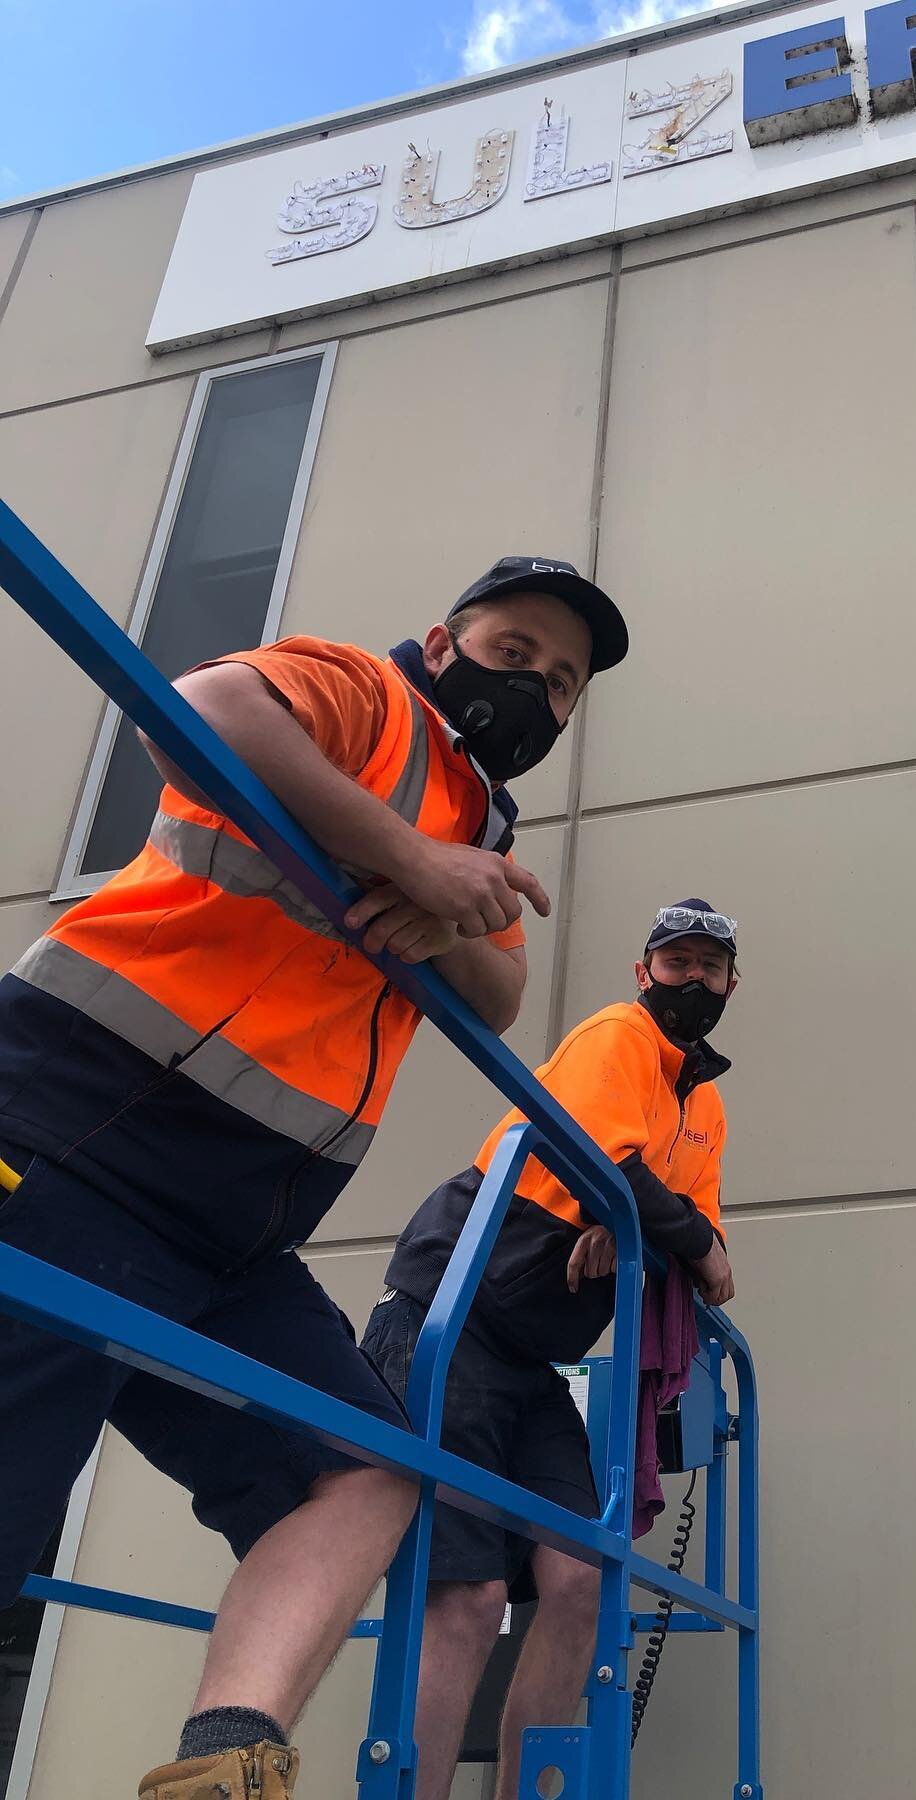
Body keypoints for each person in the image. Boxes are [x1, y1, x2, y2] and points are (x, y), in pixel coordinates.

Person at [0, 556, 628, 1800]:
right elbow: (204, 709)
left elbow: (500, 994)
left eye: (561, 685)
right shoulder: (360, 695)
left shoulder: (484, 830)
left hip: (235, 1233)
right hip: (80, 1132)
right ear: (446, 643)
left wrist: (444, 903)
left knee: (374, 1466)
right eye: (516, 653)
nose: (537, 692)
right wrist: (403, 852)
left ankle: (227, 1766)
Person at [361, 900, 740, 1800]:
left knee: (580, 1581)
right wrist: (639, 1211)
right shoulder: (618, 1034)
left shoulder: (705, 1102)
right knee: (469, 1599)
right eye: (674, 961)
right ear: (642, 971)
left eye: (709, 967)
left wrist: (639, 1223)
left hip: (532, 1362)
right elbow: (615, 1172)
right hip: (448, 1319)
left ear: (731, 984)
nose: (691, 979)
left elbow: (706, 1251)